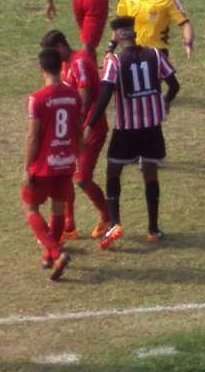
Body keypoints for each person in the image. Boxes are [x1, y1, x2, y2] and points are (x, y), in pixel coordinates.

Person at [85, 17, 180, 248]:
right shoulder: (156, 55)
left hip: (126, 129)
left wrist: (89, 124)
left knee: (113, 172)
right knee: (150, 174)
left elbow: (104, 96)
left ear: (118, 37)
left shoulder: (115, 61)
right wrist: (165, 101)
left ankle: (115, 222)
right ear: (135, 33)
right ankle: (153, 230)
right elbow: (174, 85)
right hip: (151, 128)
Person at [39, 30, 110, 243]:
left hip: (90, 129)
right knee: (65, 175)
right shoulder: (65, 65)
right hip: (74, 130)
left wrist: (77, 125)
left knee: (82, 178)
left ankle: (108, 215)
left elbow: (85, 97)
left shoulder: (79, 62)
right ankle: (68, 226)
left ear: (61, 46)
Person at [22, 48, 80, 280]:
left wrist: (26, 167)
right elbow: (77, 129)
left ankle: (56, 252)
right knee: (58, 208)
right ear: (61, 67)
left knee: (30, 208)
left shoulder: (37, 99)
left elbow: (33, 137)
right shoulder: (74, 96)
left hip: (44, 165)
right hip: (66, 162)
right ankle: (48, 256)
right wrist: (75, 154)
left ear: (41, 68)